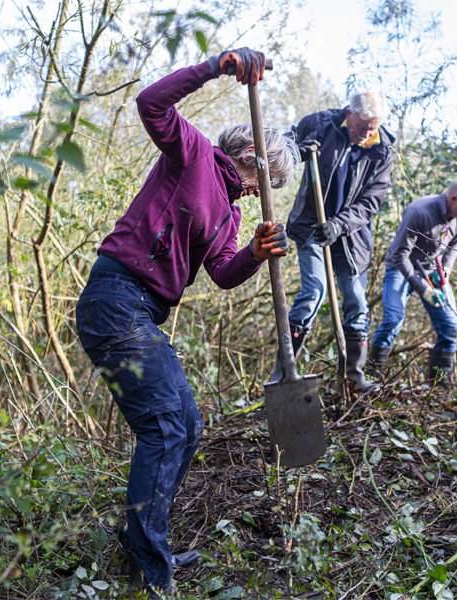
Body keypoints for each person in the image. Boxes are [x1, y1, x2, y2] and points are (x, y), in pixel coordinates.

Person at [75, 49, 298, 597]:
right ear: (248, 155)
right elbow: (150, 103)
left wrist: (256, 251)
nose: (253, 190)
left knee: (188, 426)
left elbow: (222, 272)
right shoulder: (192, 154)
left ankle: (145, 544)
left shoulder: (232, 210)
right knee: (166, 427)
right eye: (259, 179)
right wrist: (216, 68)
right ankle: (150, 571)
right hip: (116, 297)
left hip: (144, 312)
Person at [270, 92, 394, 392]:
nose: (367, 133)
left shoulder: (381, 150)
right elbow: (283, 151)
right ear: (349, 113)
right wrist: (296, 148)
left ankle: (353, 377)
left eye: (373, 127)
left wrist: (338, 225)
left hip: (351, 236)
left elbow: (371, 201)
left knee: (356, 301)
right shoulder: (320, 125)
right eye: (363, 125)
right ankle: (283, 373)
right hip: (311, 226)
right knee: (314, 293)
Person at [369, 177, 457, 383]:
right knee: (393, 319)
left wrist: (445, 270)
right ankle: (372, 377)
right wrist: (422, 288)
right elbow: (400, 255)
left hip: (432, 270)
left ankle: (440, 386)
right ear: (454, 199)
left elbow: (453, 249)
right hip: (401, 267)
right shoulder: (419, 211)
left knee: (450, 326)